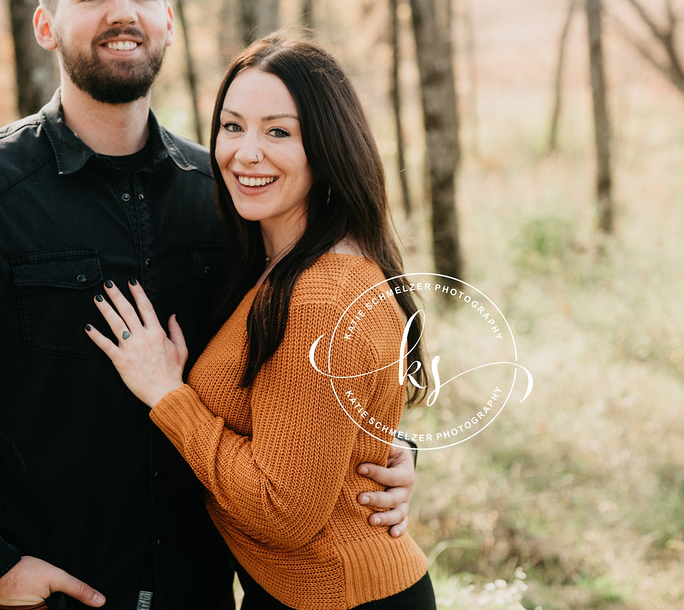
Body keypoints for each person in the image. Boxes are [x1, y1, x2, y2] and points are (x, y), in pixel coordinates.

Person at [0, 0, 416, 610]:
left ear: (168, 22)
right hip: (45, 599)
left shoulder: (227, 198)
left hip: (203, 596)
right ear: (46, 26)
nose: (123, 13)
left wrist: (387, 451)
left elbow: (296, 356)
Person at [86, 34, 435, 609]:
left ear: (327, 148)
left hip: (338, 598)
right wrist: (396, 450)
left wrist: (167, 395)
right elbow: (316, 428)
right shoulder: (280, 261)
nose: (246, 153)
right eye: (231, 126)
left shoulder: (320, 296)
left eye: (278, 131)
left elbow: (282, 511)